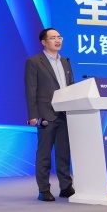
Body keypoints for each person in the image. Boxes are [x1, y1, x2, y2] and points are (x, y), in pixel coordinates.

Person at [24, 28, 75, 202]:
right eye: (53, 38)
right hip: (45, 114)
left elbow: (71, 87)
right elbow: (31, 90)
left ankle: (66, 187)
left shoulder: (65, 62)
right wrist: (33, 116)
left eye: (59, 37)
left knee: (64, 153)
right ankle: (44, 189)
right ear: (44, 42)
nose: (57, 40)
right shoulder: (34, 62)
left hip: (65, 114)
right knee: (44, 154)